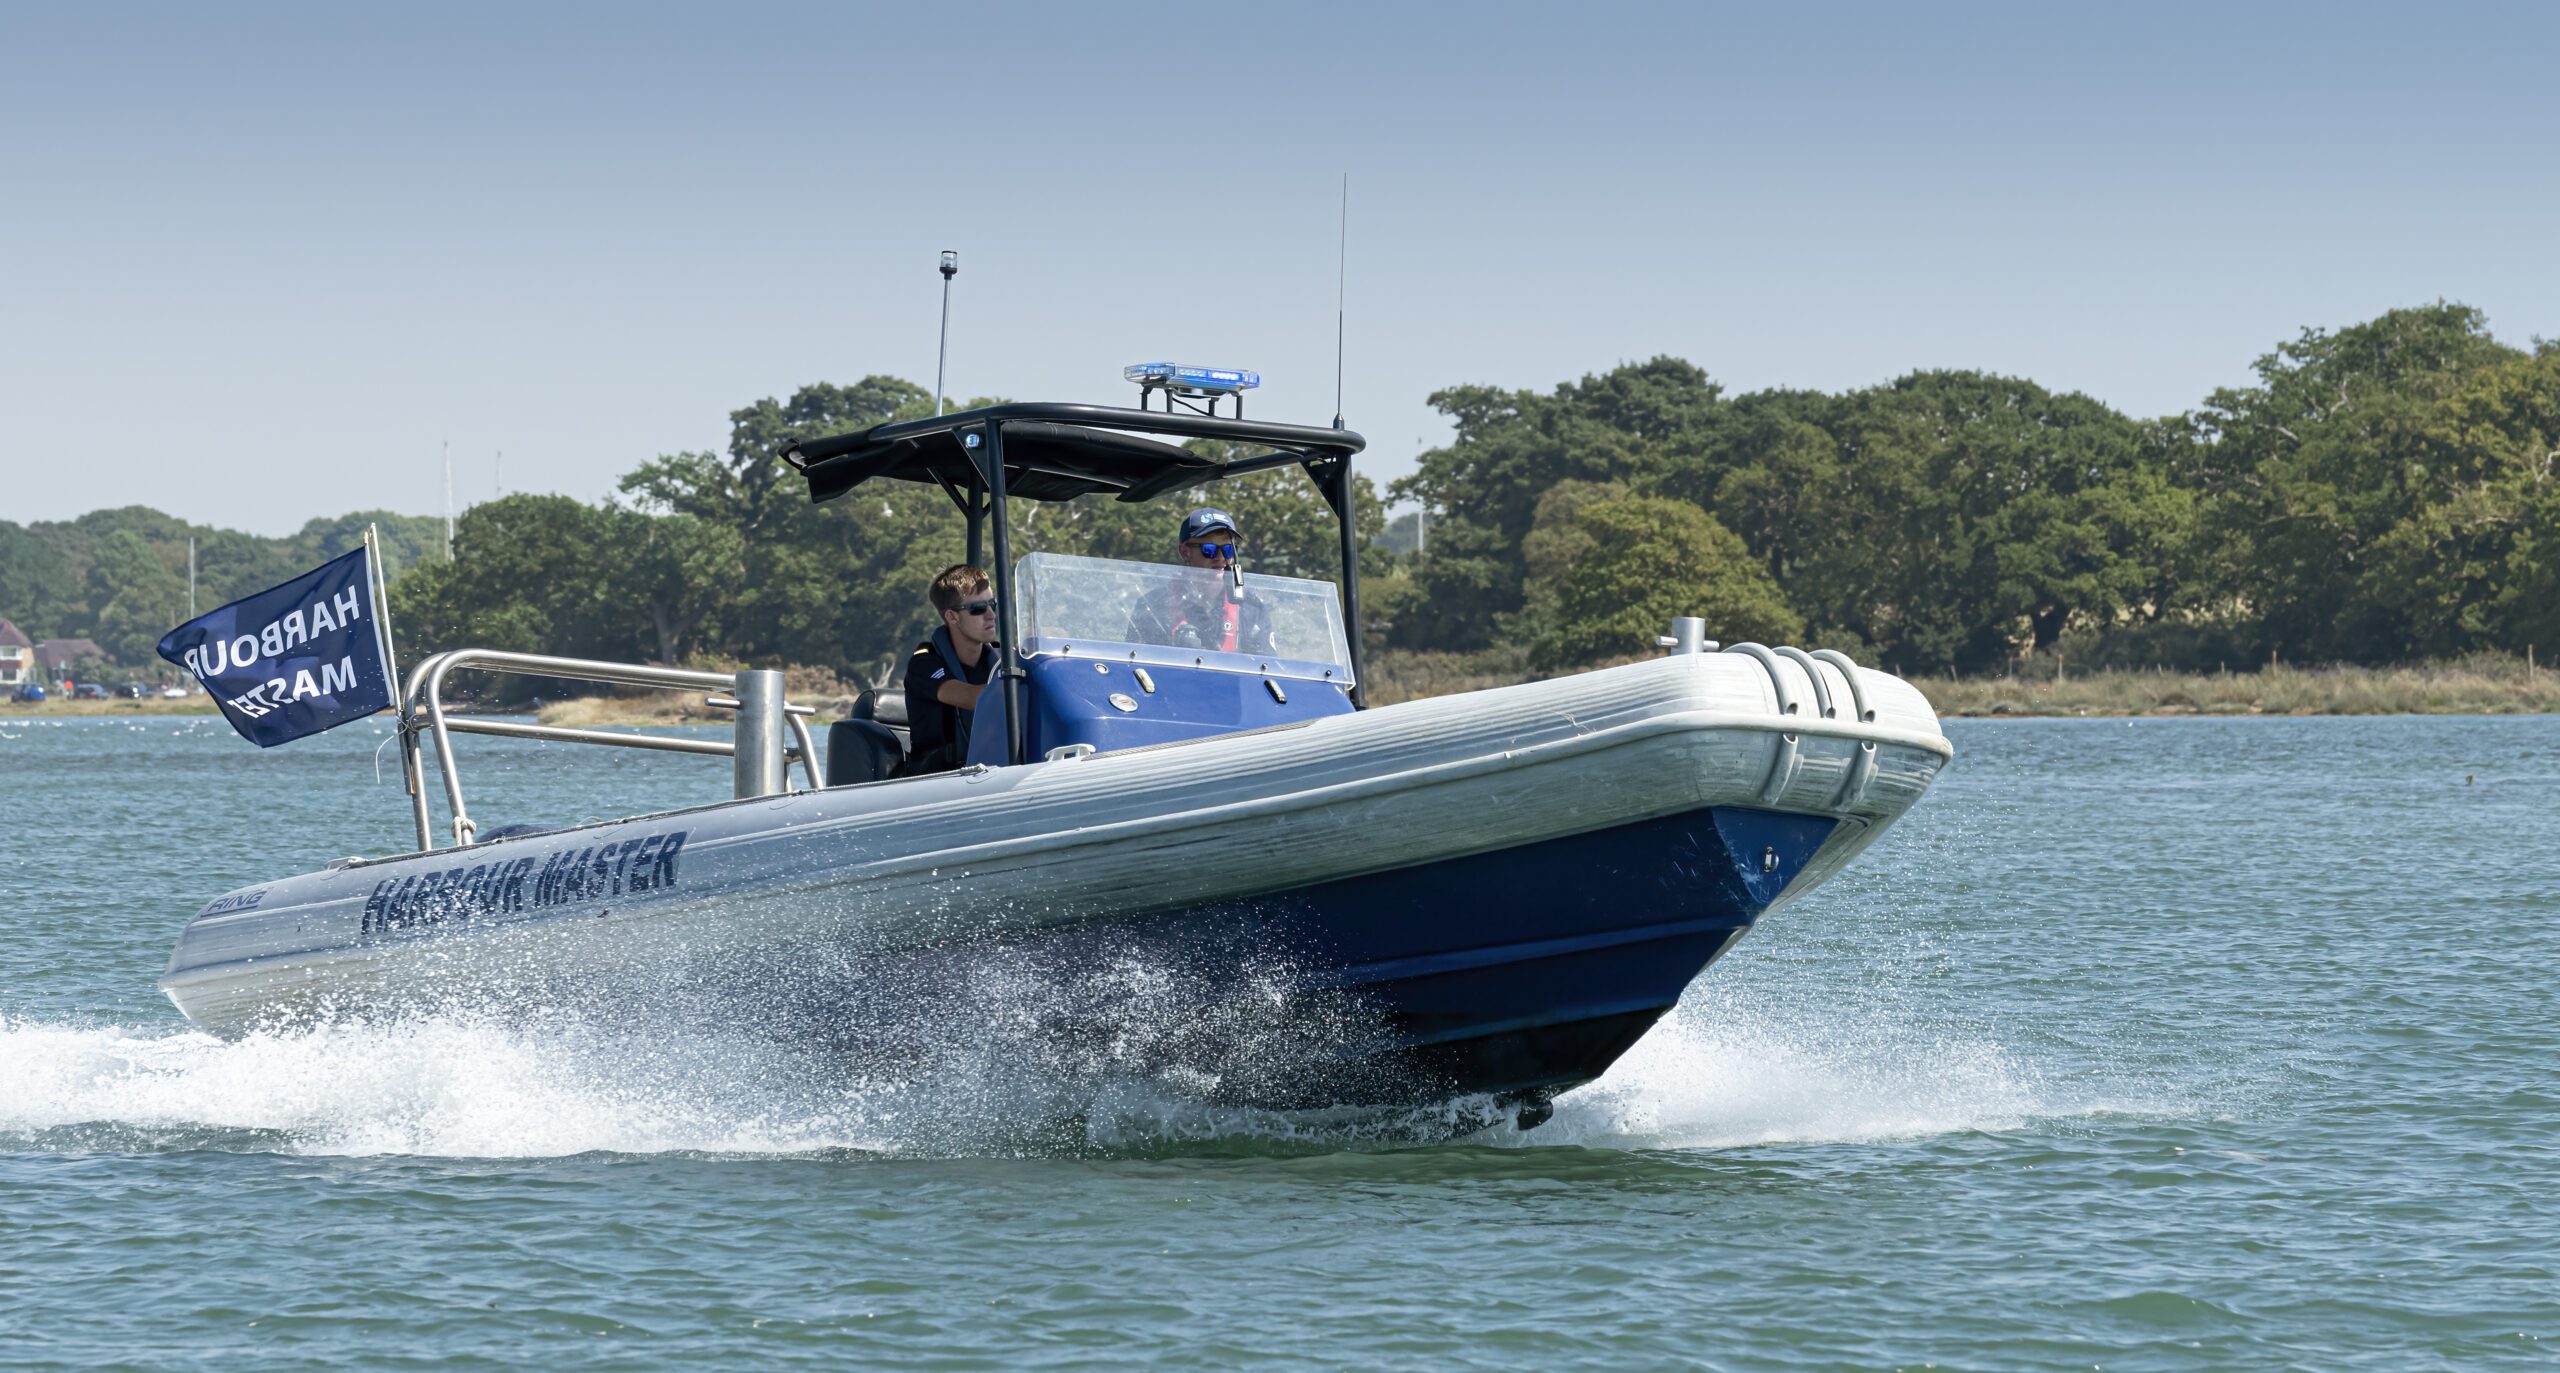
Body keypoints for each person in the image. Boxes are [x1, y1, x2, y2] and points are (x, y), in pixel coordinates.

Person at [1125, 507, 1276, 655]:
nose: (1220, 557)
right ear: (1185, 552)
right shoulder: (1152, 605)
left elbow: (1268, 669)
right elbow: (1133, 663)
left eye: (1228, 549)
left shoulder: (1251, 607)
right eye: (1209, 549)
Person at [900, 564, 999, 774]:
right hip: (938, 780)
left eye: (993, 604)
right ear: (952, 617)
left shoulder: (1003, 660)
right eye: (978, 608)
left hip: (990, 772)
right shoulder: (925, 664)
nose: (991, 615)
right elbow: (969, 697)